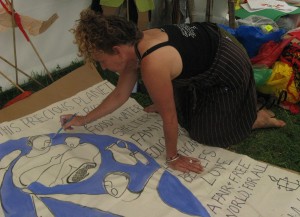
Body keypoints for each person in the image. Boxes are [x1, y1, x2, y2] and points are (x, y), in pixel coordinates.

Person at [62, 9, 286, 174]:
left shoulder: (152, 63)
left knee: (207, 134)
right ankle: (239, 106)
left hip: (229, 62)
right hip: (210, 48)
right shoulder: (134, 45)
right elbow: (120, 94)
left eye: (102, 61)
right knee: (180, 108)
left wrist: (173, 157)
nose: (104, 67)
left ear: (117, 51)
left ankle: (252, 117)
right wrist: (84, 119)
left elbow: (170, 117)